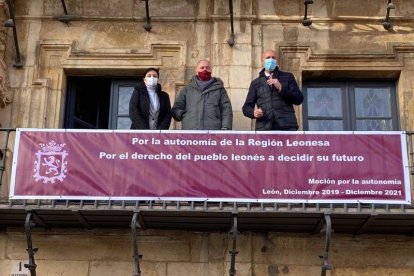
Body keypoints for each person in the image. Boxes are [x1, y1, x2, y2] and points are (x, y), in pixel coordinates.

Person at [242, 49, 303, 131]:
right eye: (268, 57)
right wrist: (253, 112)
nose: (271, 60)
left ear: (276, 60)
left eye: (273, 58)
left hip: (286, 126)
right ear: (262, 61)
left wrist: (281, 87)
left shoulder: (288, 77)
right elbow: (246, 107)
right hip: (264, 127)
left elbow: (299, 99)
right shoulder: (256, 83)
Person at [171, 59, 233, 130]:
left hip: (213, 131)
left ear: (211, 71)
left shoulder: (219, 89)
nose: (205, 70)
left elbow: (226, 109)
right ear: (196, 71)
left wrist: (226, 127)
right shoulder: (187, 89)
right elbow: (176, 108)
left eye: (207, 68)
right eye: (202, 68)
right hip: (190, 130)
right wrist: (184, 116)